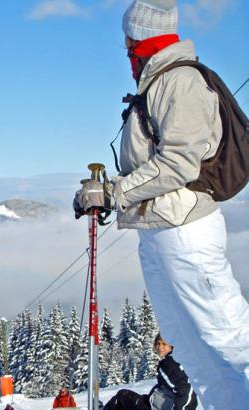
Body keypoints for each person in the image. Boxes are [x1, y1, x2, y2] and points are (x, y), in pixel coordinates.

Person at [73, 1, 249, 408]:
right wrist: (109, 193)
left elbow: (177, 163)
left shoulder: (180, 81)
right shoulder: (157, 82)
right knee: (189, 348)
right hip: (158, 233)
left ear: (140, 39)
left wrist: (114, 193)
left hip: (186, 232)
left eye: (128, 44)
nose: (126, 53)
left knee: (229, 338)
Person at [103, 334, 198, 410]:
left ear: (172, 346)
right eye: (158, 343)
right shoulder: (175, 361)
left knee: (122, 396)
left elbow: (185, 388)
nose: (160, 347)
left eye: (164, 344)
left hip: (153, 407)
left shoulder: (169, 364)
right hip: (152, 402)